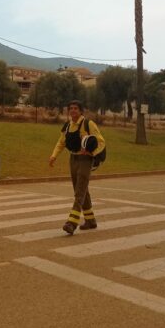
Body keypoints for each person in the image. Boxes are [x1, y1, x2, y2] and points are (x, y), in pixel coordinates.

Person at [49, 100, 105, 235]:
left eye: (75, 108)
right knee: (81, 189)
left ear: (81, 111)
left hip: (86, 160)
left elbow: (101, 142)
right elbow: (61, 142)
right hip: (73, 159)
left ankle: (71, 223)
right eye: (71, 108)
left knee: (79, 191)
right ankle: (90, 220)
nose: (73, 110)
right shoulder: (67, 126)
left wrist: (92, 152)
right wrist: (54, 156)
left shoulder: (88, 124)